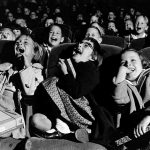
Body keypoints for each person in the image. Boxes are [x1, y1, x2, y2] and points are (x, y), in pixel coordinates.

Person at [31, 37, 115, 148]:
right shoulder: (69, 66)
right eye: (79, 43)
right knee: (36, 119)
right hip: (65, 112)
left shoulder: (91, 69)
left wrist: (65, 73)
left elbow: (77, 92)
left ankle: (69, 130)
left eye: (86, 45)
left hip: (86, 114)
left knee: (53, 82)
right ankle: (61, 128)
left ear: (93, 56)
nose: (79, 45)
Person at [0, 34, 44, 138]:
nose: (20, 43)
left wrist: (27, 64)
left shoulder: (36, 70)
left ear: (34, 52)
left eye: (25, 42)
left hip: (11, 116)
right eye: (17, 42)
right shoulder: (6, 67)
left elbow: (30, 92)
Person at [112, 49, 150, 147]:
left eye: (133, 60)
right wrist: (121, 73)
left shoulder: (149, 76)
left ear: (143, 63)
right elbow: (119, 99)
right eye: (123, 63)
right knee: (118, 142)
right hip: (135, 128)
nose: (128, 64)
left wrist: (148, 117)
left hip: (147, 120)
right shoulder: (125, 84)